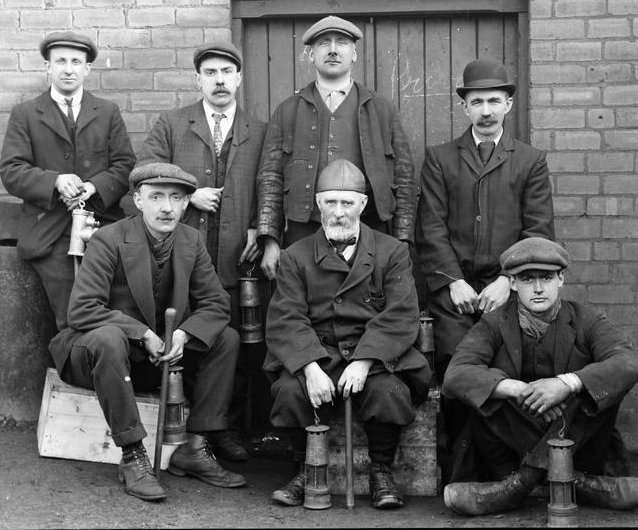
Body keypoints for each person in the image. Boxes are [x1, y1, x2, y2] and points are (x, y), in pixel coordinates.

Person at [48, 162, 247, 502]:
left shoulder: (191, 240)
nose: (166, 207)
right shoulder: (109, 239)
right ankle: (133, 456)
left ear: (186, 204)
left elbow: (216, 304)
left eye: (176, 198)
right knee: (110, 338)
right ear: (138, 201)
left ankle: (194, 447)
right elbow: (82, 310)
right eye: (156, 197)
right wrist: (141, 333)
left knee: (225, 338)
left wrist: (184, 334)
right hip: (97, 356)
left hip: (153, 360)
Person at [264, 159, 431, 510]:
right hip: (320, 353)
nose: (339, 213)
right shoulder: (295, 256)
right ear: (318, 204)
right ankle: (304, 469)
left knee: (389, 392)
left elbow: (401, 314)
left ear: (363, 205)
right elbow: (286, 317)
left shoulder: (392, 251)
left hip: (377, 356)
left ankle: (381, 471)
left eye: (347, 203)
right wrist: (310, 367)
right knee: (291, 392)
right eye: (331, 202)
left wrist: (366, 361)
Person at [415, 58, 555, 474]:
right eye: (477, 102)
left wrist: (507, 282)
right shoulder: (440, 158)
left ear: (509, 104)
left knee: (508, 364)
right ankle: (462, 466)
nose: (487, 110)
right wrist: (452, 282)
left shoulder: (529, 160)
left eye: (495, 100)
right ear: (465, 107)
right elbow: (430, 228)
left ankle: (508, 466)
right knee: (460, 367)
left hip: (506, 290)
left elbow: (539, 232)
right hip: (454, 293)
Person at [441, 237, 638, 516]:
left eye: (547, 278)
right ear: (513, 283)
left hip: (577, 441)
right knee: (486, 386)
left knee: (595, 385)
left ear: (561, 279)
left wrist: (566, 384)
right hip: (511, 447)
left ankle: (521, 484)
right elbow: (456, 375)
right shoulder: (493, 323)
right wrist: (517, 389)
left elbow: (630, 363)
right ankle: (576, 483)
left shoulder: (586, 319)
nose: (538, 288)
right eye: (527, 279)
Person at [136, 41, 269, 462]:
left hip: (236, 258)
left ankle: (223, 429)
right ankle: (183, 429)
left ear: (239, 79)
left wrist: (258, 227)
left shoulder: (259, 130)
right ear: (199, 80)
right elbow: (141, 179)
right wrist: (187, 197)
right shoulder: (173, 124)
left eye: (227, 72)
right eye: (210, 73)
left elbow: (270, 184)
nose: (219, 80)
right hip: (180, 254)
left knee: (233, 343)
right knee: (184, 341)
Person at [256, 15, 416, 281]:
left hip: (371, 229)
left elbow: (404, 178)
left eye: (341, 43)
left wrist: (402, 241)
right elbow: (270, 177)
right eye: (323, 44)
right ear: (310, 55)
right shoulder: (287, 111)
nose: (332, 49)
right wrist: (270, 240)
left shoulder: (382, 109)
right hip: (304, 231)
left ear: (354, 54)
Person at [0, 31, 136, 331]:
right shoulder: (25, 114)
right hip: (51, 233)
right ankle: (77, 374)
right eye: (60, 61)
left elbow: (126, 165)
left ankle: (110, 373)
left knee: (117, 312)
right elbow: (11, 170)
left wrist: (93, 186)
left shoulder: (108, 112)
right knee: (72, 319)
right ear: (47, 67)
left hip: (103, 227)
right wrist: (55, 181)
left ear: (87, 68)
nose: (68, 69)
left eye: (77, 61)